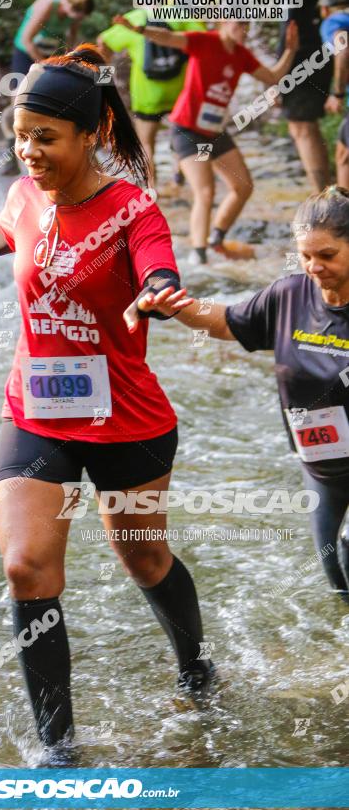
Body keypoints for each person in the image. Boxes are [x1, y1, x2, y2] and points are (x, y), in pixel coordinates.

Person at [0, 44, 215, 755]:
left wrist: (158, 291)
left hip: (126, 419)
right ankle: (58, 748)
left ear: (92, 134)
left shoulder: (132, 209)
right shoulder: (22, 193)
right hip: (37, 411)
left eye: (45, 137)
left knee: (143, 558)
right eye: (20, 136)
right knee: (25, 566)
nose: (28, 151)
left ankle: (195, 668)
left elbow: (156, 264)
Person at [132, 185, 349, 599]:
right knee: (336, 577)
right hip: (320, 466)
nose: (314, 267)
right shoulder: (289, 296)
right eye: (305, 255)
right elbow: (227, 322)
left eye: (327, 256)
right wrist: (175, 306)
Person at [114, 16, 299, 264]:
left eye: (246, 25)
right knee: (205, 191)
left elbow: (273, 76)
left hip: (214, 131)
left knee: (243, 186)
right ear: (223, 23)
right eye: (237, 23)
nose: (242, 30)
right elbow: (169, 39)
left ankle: (217, 237)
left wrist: (290, 50)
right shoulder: (204, 42)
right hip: (186, 130)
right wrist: (138, 29)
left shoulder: (242, 55)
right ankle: (198, 254)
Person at [97, 0, 204, 189]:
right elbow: (205, 41)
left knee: (146, 143)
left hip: (147, 94)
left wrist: (107, 61)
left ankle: (152, 188)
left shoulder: (135, 19)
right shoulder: (181, 16)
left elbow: (104, 40)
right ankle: (180, 173)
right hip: (179, 90)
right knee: (183, 135)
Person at [1, 0, 95, 176]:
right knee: (19, 99)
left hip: (49, 51)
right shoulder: (48, 4)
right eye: (73, 14)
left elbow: (72, 40)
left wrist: (69, 60)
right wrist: (44, 65)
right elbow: (27, 40)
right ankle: (10, 151)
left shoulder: (76, 10)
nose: (75, 18)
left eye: (79, 16)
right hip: (26, 51)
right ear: (67, 4)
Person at [277, 0, 332, 192]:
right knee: (308, 125)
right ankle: (329, 191)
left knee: (301, 127)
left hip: (302, 62)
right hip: (327, 54)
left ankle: (322, 195)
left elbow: (290, 31)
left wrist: (277, 76)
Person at [319, 0, 349, 189]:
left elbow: (343, 49)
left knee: (345, 156)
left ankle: (343, 216)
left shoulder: (333, 21)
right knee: (342, 152)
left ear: (324, 9)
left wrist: (337, 93)